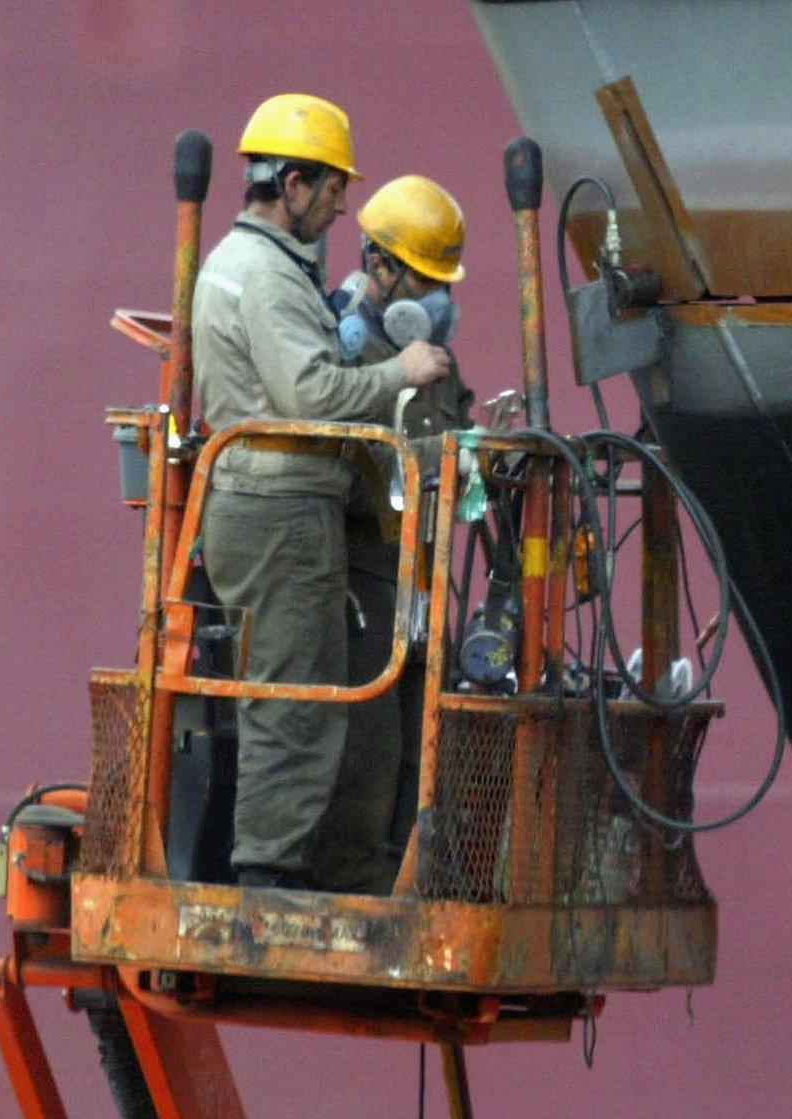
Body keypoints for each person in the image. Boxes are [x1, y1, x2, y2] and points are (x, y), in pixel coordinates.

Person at [191, 93, 452, 892]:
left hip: (272, 507)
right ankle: (268, 882)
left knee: (303, 695)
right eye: (334, 189)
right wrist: (398, 373)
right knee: (297, 703)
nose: (342, 207)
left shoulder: (252, 268)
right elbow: (309, 393)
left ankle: (289, 870)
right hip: (280, 510)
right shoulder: (266, 277)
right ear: (293, 183)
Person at [311, 175, 476, 894]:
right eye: (423, 276)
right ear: (379, 263)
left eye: (442, 281)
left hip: (419, 565)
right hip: (367, 564)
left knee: (421, 723)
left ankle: (403, 872)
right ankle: (353, 876)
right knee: (370, 733)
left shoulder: (427, 348)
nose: (435, 296)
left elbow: (448, 423)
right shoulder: (343, 339)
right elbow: (354, 446)